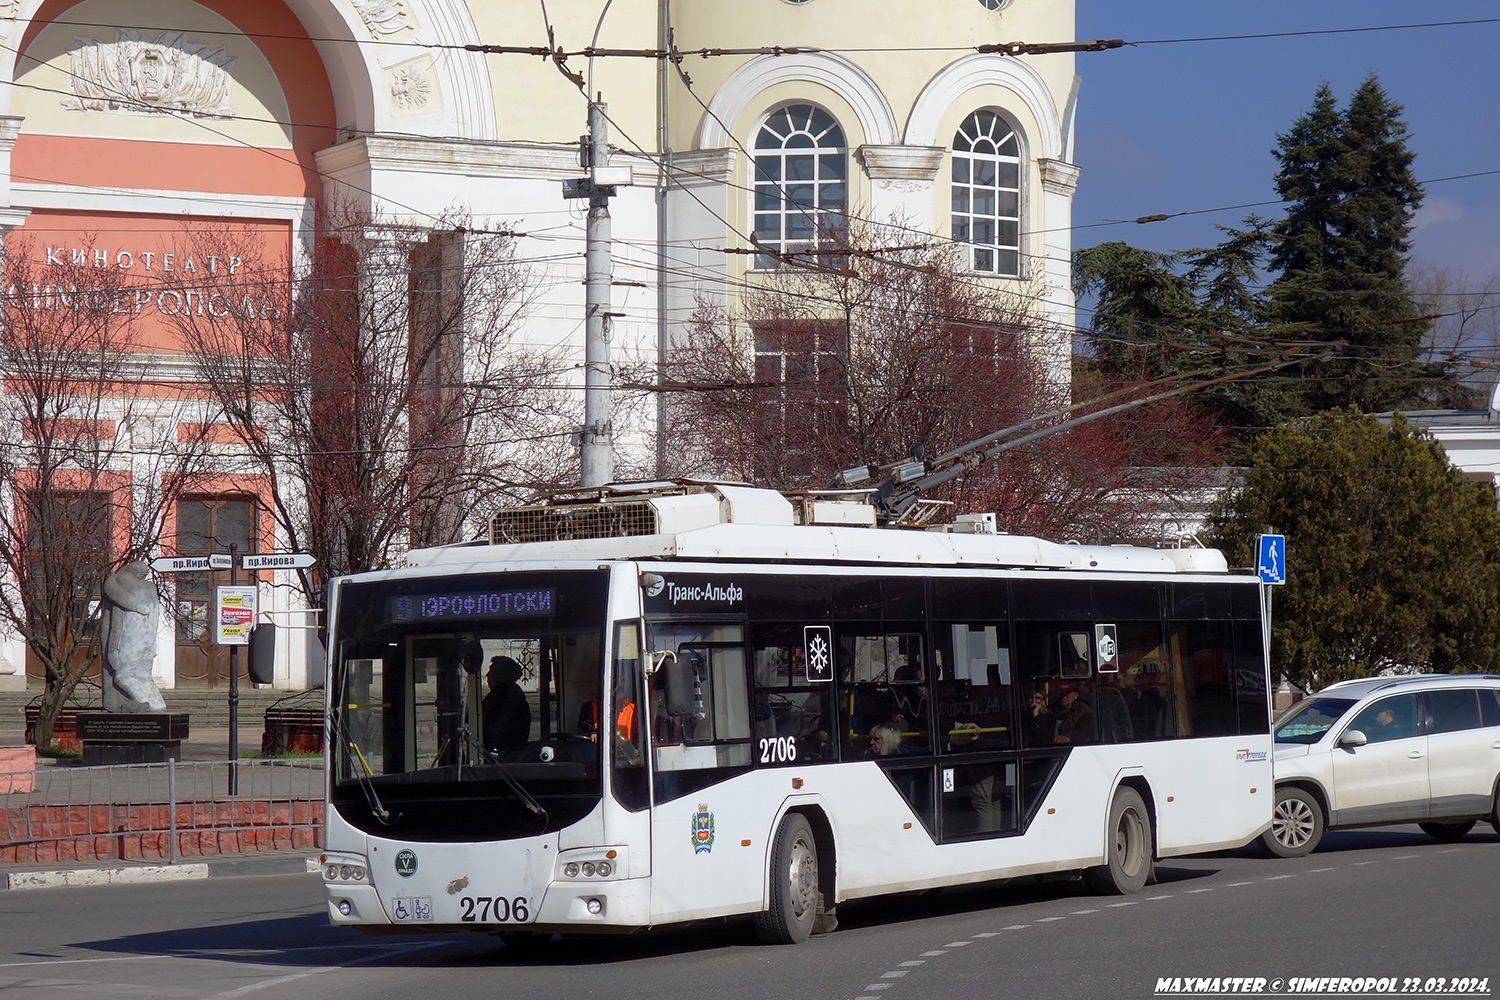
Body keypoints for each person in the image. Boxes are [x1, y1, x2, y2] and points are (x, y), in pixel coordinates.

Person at [482, 656, 531, 755]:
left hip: (503, 757)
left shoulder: (507, 696)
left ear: (502, 675)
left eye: (491, 671)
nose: (487, 675)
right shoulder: (504, 694)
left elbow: (497, 733)